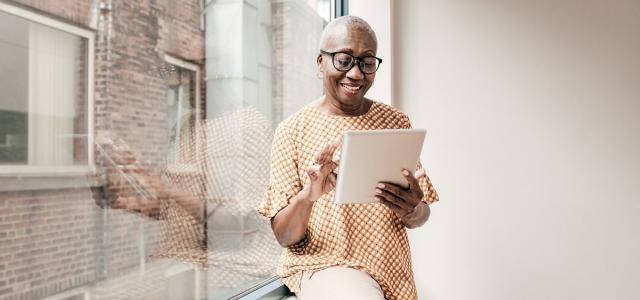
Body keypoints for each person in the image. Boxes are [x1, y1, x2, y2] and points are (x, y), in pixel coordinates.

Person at [258, 16, 439, 300]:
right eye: (344, 60)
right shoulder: (292, 130)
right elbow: (284, 236)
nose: (355, 74)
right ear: (321, 62)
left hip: (390, 270)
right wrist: (308, 195)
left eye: (366, 63)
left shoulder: (395, 122)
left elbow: (420, 216)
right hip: (325, 266)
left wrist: (412, 208)